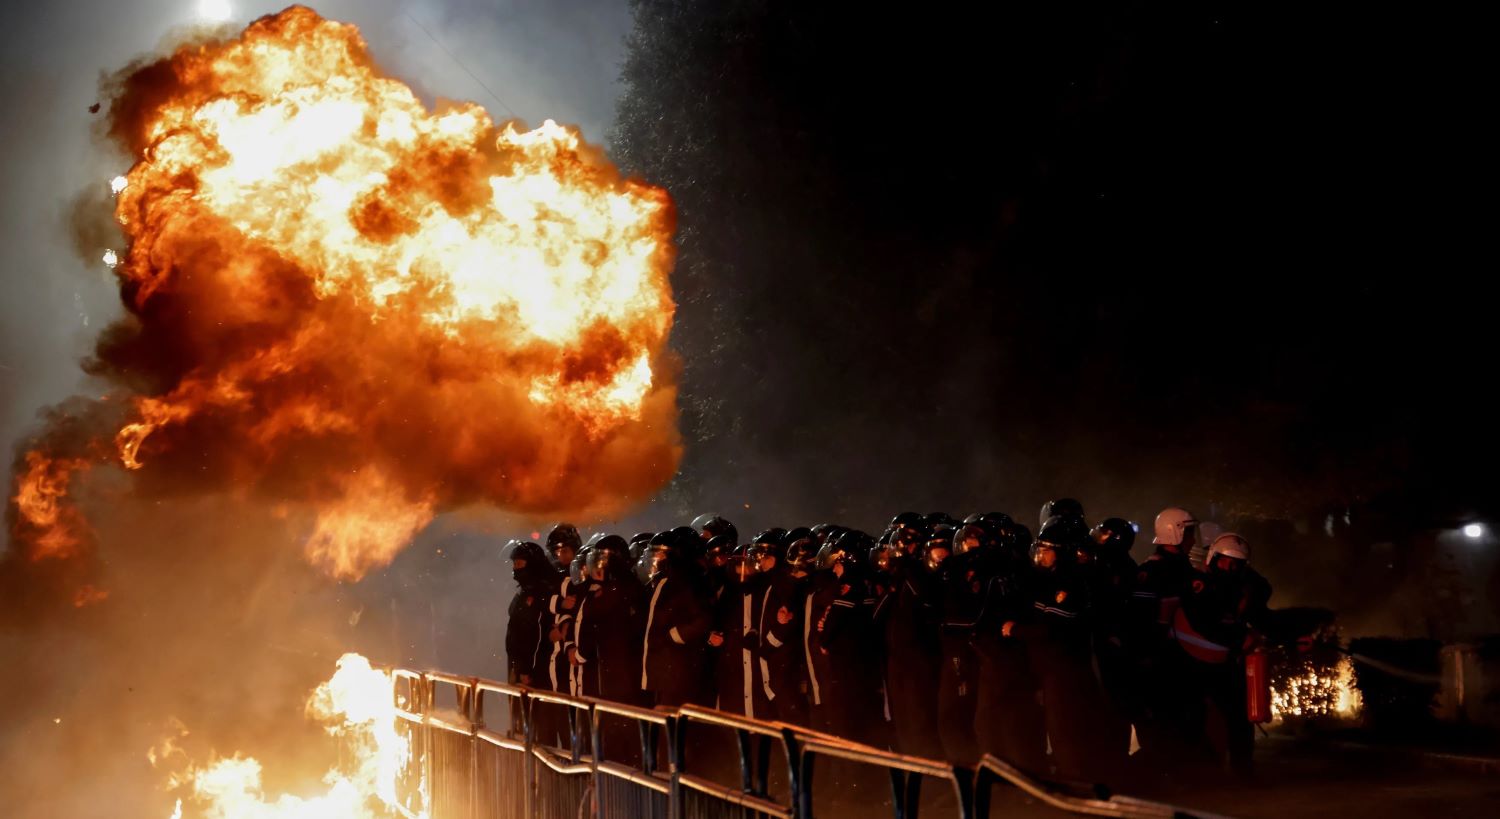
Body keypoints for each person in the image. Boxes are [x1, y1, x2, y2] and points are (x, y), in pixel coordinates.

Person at [1173, 533, 1273, 776]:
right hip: (1191, 664)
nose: (1230, 567)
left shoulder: (1240, 587)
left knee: (1240, 717)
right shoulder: (1200, 584)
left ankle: (1243, 772)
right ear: (1213, 558)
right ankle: (1203, 775)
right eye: (1225, 561)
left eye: (1236, 563)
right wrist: (1240, 639)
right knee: (1191, 721)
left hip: (1223, 665)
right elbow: (1205, 622)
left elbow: (1260, 610)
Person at [640, 530, 713, 708]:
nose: (656, 557)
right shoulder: (662, 581)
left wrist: (675, 635)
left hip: (677, 669)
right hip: (664, 669)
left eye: (660, 552)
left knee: (673, 722)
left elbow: (702, 618)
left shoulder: (685, 581)